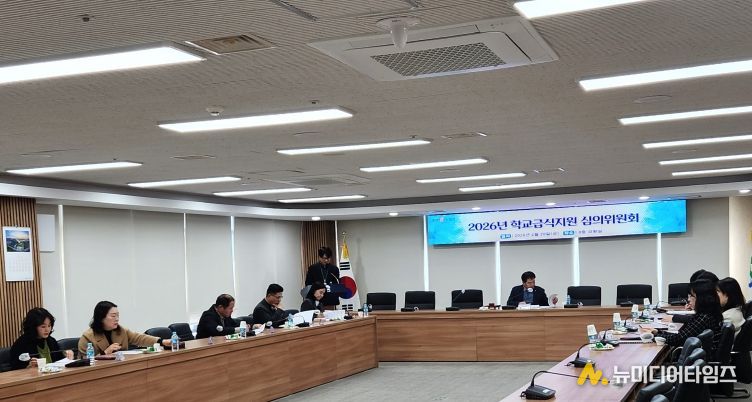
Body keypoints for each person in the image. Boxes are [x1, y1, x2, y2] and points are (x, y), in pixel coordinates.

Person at [78, 301, 171, 356]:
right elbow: (84, 363)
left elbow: (139, 338)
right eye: (113, 316)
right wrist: (105, 353)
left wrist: (162, 342)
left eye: (118, 315)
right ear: (101, 317)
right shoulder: (88, 337)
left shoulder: (121, 330)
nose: (117, 319)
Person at [652, 279, 722, 348]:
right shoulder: (709, 313)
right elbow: (681, 335)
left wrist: (653, 336)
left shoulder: (703, 318)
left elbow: (678, 339)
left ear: (701, 298)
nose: (688, 299)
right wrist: (658, 332)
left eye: (691, 296)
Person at [9, 307, 73, 370]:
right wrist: (28, 367)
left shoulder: (51, 341)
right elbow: (15, 369)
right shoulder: (21, 344)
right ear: (33, 327)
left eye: (49, 326)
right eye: (43, 326)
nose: (47, 329)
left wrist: (67, 356)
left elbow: (60, 362)